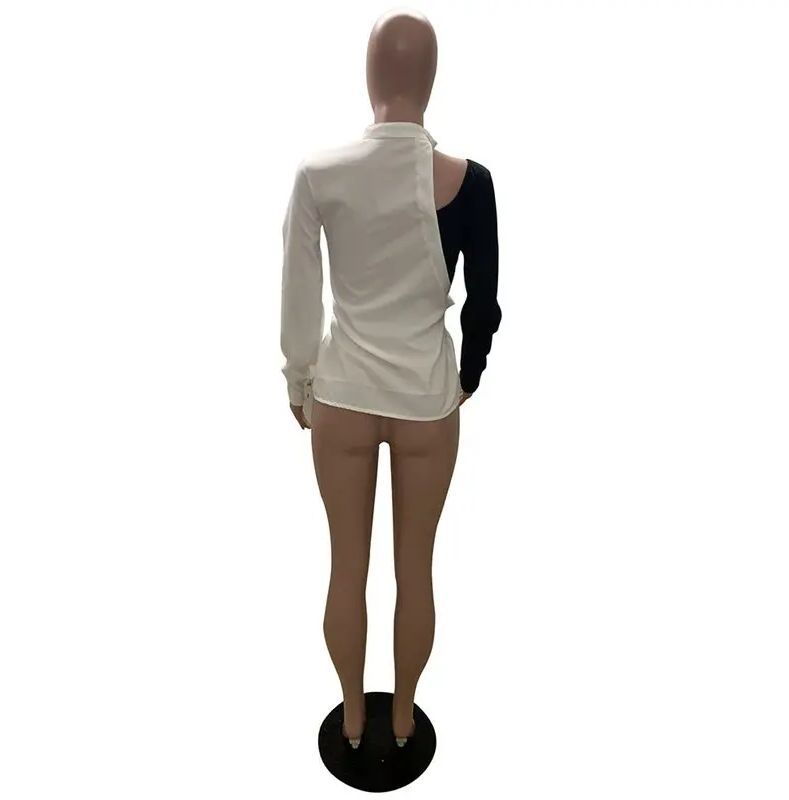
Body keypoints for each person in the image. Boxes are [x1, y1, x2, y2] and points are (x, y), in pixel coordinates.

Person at [279, 9, 501, 749]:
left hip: (341, 396)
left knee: (346, 568)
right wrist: (468, 375)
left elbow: (299, 291)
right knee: (417, 571)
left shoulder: (319, 174)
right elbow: (484, 303)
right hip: (426, 400)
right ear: (430, 81)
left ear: (370, 76)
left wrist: (299, 381)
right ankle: (403, 717)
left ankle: (351, 715)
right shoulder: (470, 183)